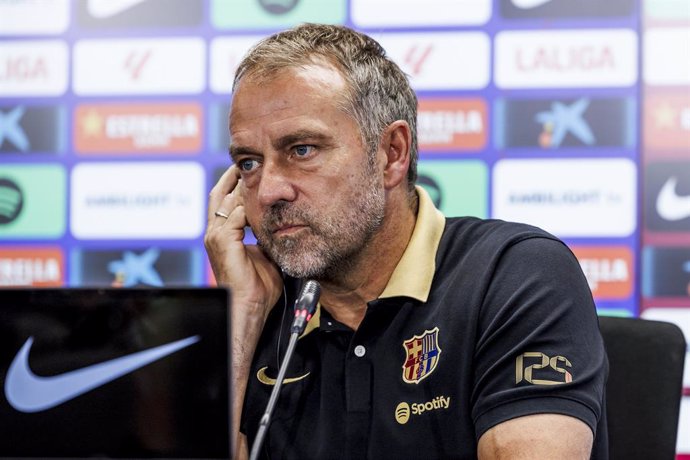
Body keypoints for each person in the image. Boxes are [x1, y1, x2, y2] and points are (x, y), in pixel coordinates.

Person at [205, 23, 608, 460]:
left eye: (302, 150)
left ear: (392, 153)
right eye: (248, 162)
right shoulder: (261, 301)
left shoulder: (514, 273)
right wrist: (239, 316)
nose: (268, 191)